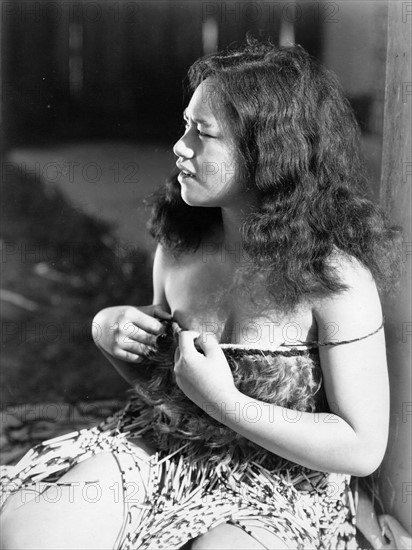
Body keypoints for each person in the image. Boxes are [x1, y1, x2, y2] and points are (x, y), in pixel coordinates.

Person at [0, 39, 401, 550]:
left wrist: (226, 402)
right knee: (28, 537)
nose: (179, 145)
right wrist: (112, 332)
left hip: (280, 481)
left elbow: (361, 448)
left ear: (268, 154)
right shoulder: (181, 247)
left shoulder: (336, 282)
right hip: (167, 446)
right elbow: (165, 384)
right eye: (186, 124)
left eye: (202, 133)